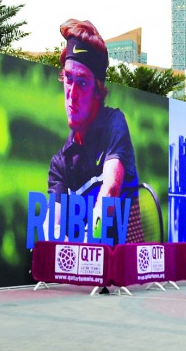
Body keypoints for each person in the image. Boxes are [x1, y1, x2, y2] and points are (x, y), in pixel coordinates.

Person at [47, 19, 142, 243]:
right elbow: (55, 223)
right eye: (68, 79)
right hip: (85, 273)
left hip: (126, 272)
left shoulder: (114, 123)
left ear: (97, 91)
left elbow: (110, 190)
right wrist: (56, 240)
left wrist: (89, 247)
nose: (72, 93)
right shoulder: (59, 164)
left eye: (82, 83)